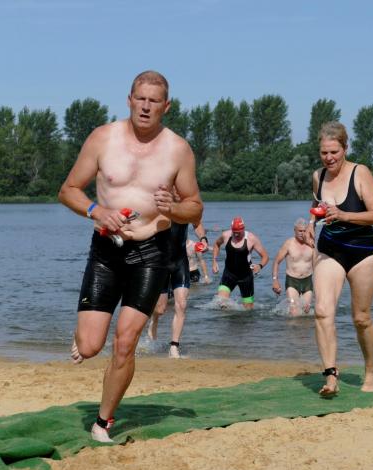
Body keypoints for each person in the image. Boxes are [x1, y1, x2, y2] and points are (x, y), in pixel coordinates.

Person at [58, 70, 203, 442]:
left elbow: (195, 208)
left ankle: (103, 422)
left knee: (125, 342)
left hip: (152, 252)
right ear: (129, 100)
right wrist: (96, 210)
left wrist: (173, 208)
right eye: (140, 98)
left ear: (166, 106)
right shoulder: (103, 138)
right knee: (90, 346)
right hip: (106, 250)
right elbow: (68, 189)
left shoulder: (178, 149)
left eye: (154, 101)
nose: (146, 106)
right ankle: (83, 335)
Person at [307, 121, 373, 396]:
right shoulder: (318, 176)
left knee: (361, 318)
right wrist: (310, 225)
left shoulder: (360, 173)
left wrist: (343, 214)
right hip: (330, 249)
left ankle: (370, 370)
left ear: (345, 148)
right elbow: (317, 207)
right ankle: (330, 376)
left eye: (334, 152)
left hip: (363, 251)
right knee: (322, 310)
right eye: (324, 153)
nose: (329, 158)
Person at [146, 219, 207, 358]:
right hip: (160, 262)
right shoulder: (160, 208)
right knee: (160, 309)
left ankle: (174, 346)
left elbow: (196, 222)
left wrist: (203, 239)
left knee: (182, 304)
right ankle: (154, 319)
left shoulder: (185, 209)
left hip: (180, 261)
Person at [211, 217, 269, 310]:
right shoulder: (226, 235)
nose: (236, 234)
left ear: (243, 229)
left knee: (248, 310)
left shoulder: (251, 238)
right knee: (221, 302)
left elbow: (265, 256)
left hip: (245, 277)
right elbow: (216, 244)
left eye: (239, 232)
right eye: (234, 232)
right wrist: (214, 261)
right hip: (229, 274)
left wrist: (259, 266)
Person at [272, 218, 316, 315]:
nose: (302, 233)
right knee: (294, 310)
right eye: (300, 231)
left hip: (307, 281)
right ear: (294, 230)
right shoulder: (289, 244)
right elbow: (276, 262)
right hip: (292, 281)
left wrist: (318, 287)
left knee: (306, 311)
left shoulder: (312, 244)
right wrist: (275, 280)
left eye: (304, 231)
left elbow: (317, 266)